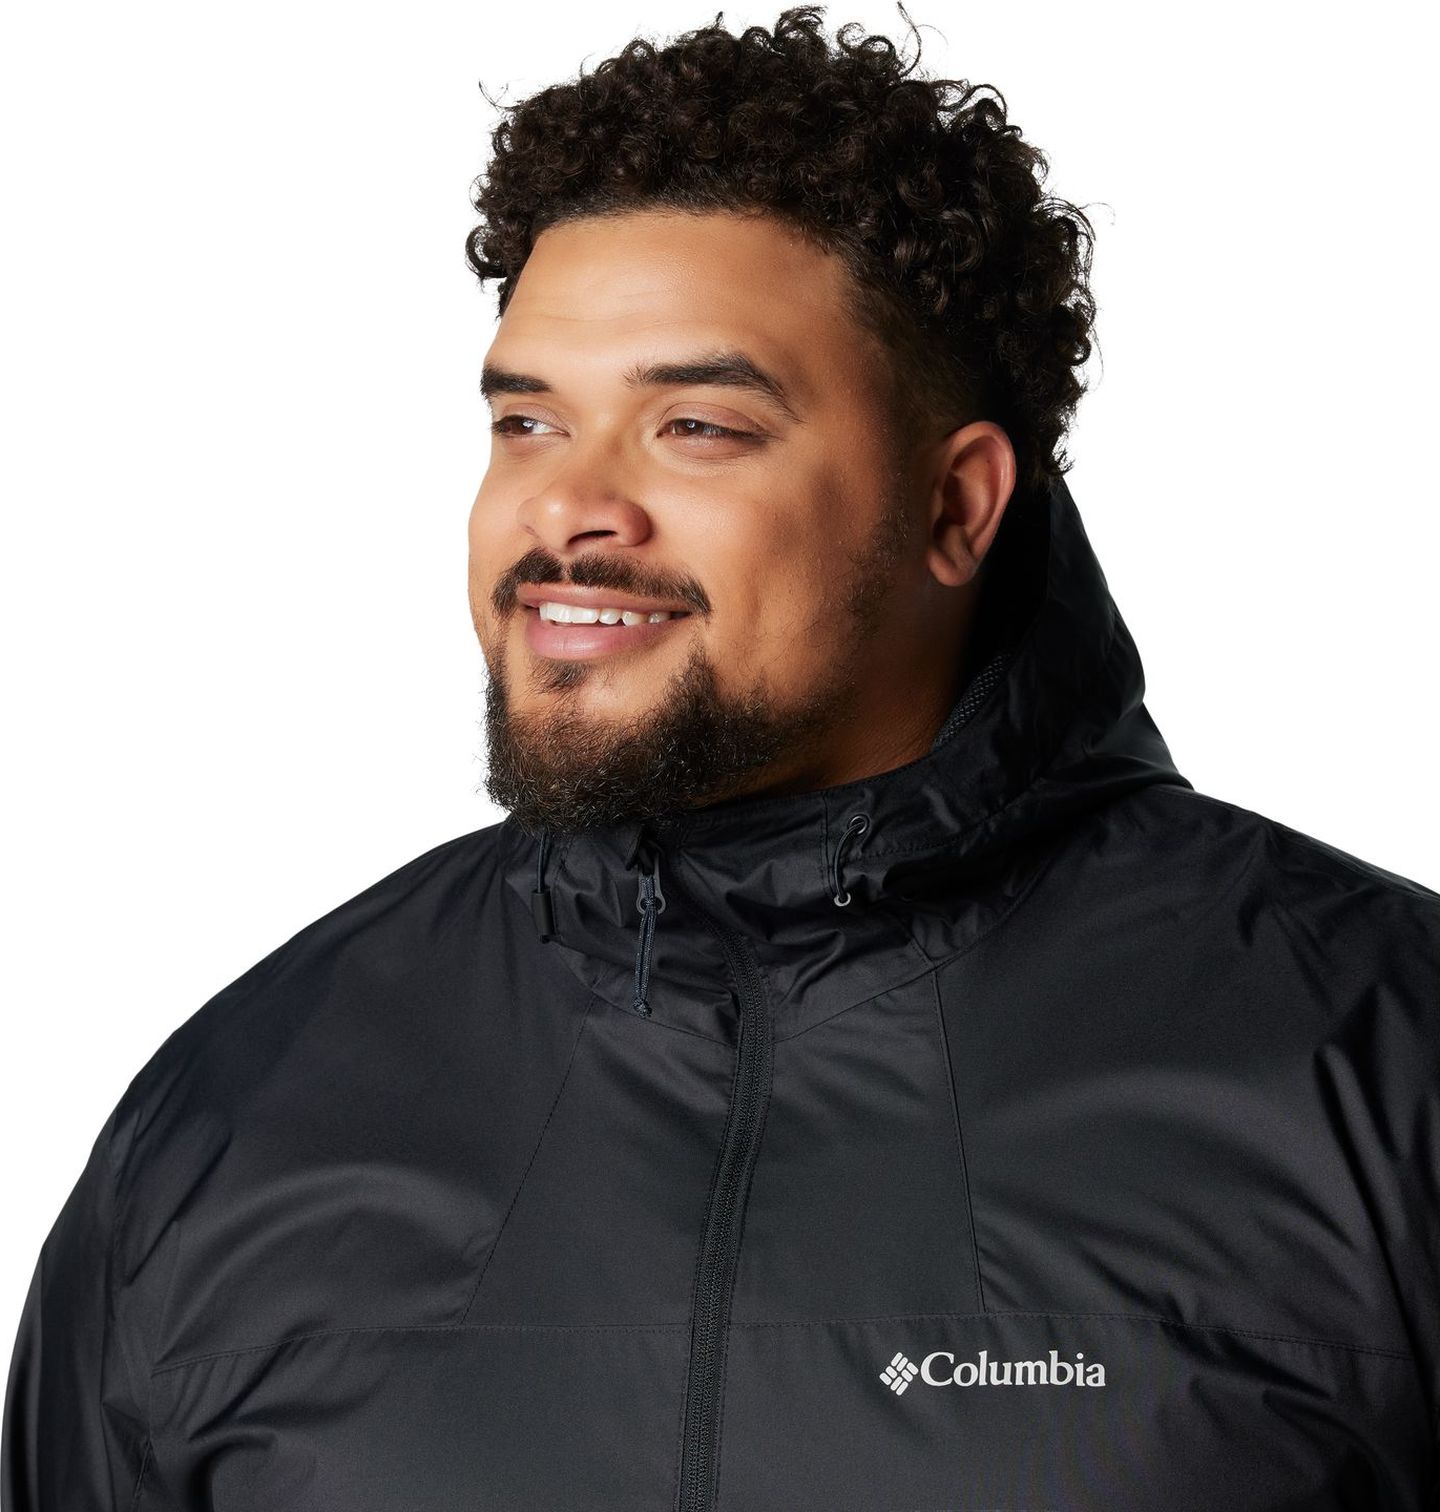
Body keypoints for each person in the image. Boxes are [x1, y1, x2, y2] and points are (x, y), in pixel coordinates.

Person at [4, 6, 1437, 1508]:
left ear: (957, 507)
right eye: (528, 422)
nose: (569, 510)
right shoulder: (242, 1113)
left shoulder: (1380, 1063)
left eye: (695, 426)